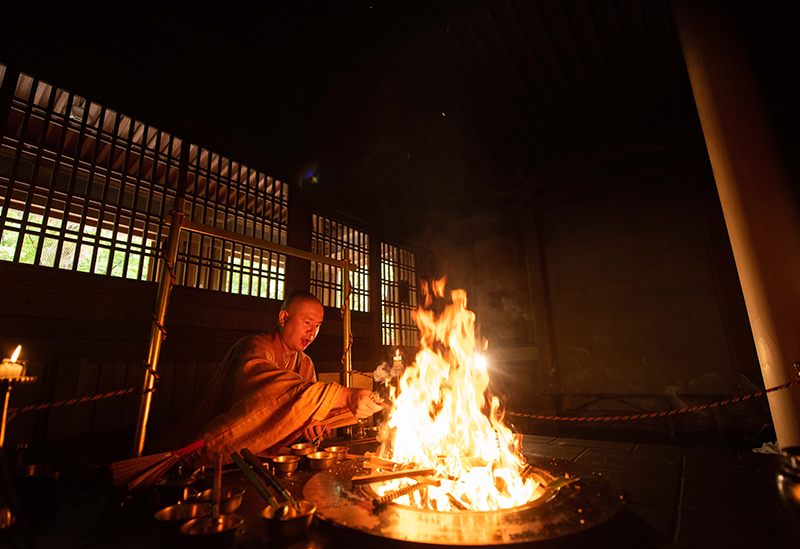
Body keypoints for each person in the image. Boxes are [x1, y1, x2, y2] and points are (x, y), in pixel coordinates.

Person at [162, 290, 384, 467]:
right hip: (221, 450)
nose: (312, 332)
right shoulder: (253, 348)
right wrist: (343, 394)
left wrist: (313, 425)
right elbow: (272, 393)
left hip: (273, 457)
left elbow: (306, 409)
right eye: (307, 322)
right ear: (284, 317)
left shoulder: (305, 363)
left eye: (317, 326)